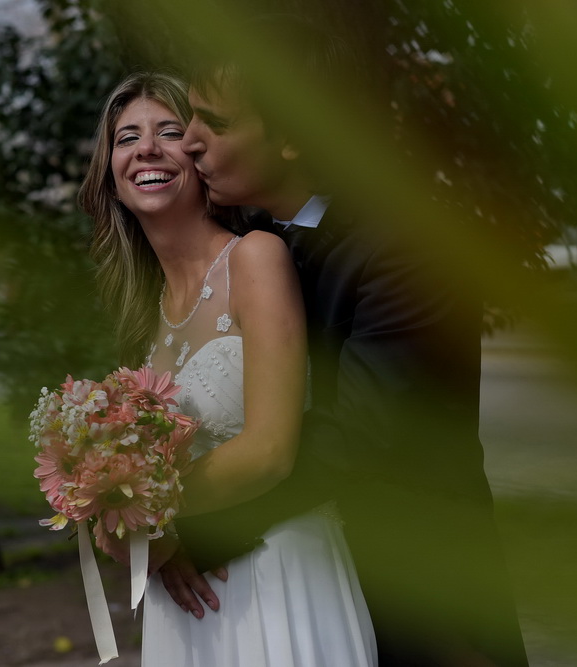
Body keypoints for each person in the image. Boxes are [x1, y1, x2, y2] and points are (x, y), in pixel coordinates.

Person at [160, 15, 530, 666]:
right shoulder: (237, 244)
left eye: (214, 124)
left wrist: (178, 511)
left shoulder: (412, 243)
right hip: (279, 600)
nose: (187, 141)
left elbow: (358, 433)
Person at [79, 70, 377, 666]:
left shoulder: (258, 260)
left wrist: (137, 513)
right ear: (110, 174)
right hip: (188, 600)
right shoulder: (140, 315)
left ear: (197, 155)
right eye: (126, 137)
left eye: (169, 130)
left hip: (280, 573)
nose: (147, 149)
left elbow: (270, 449)